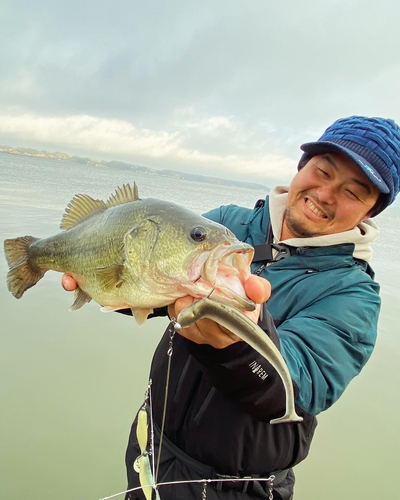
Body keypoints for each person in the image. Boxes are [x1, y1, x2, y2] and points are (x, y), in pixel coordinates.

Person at [63, 115, 400, 500]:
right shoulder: (225, 224)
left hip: (238, 488)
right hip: (152, 447)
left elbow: (302, 384)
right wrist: (106, 281)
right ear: (301, 166)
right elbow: (154, 287)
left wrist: (240, 341)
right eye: (322, 171)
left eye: (353, 192)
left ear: (371, 212)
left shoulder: (354, 296)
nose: (325, 194)